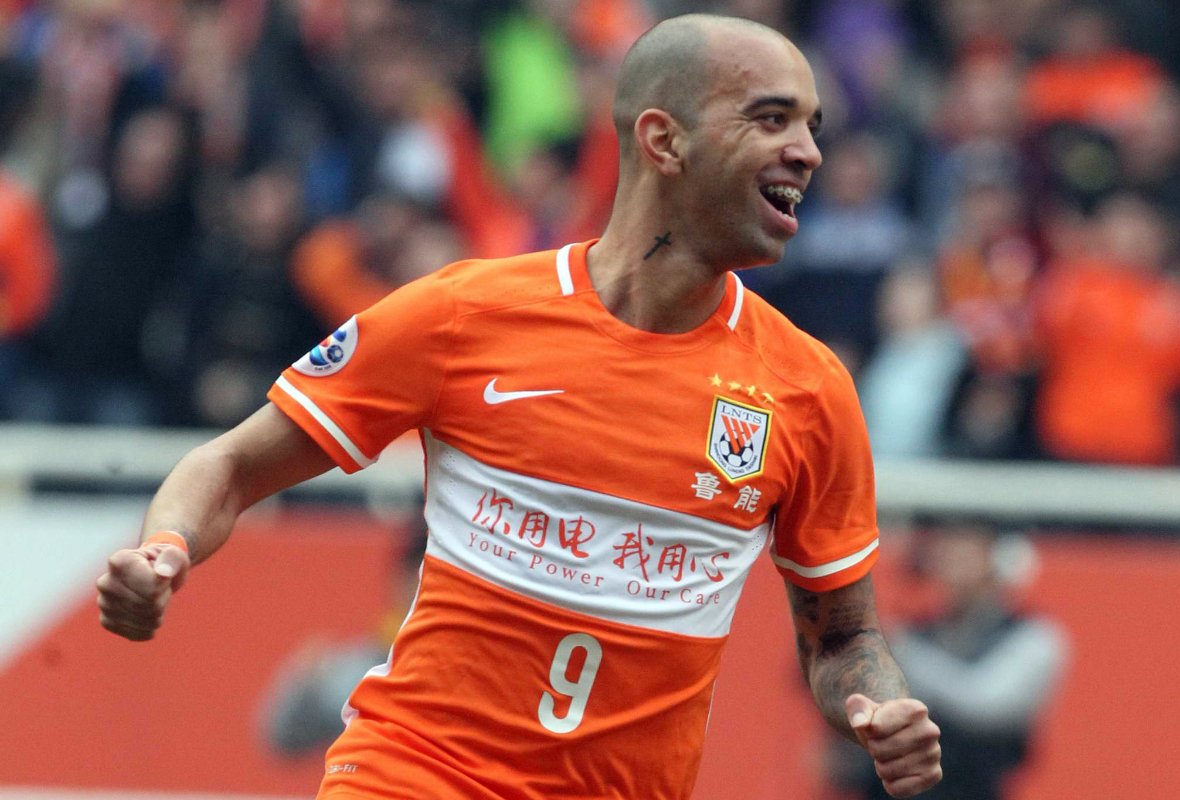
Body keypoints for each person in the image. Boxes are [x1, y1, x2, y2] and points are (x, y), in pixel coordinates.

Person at [96, 14, 942, 799]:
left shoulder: (807, 388)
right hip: (412, 775)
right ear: (663, 139)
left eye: (812, 127)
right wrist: (166, 548)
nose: (808, 152)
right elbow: (231, 463)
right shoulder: (462, 315)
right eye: (772, 119)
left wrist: (877, 705)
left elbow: (843, 639)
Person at [827, 518, 1067, 800]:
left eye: (967, 542)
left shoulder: (1033, 637)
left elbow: (983, 703)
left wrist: (901, 652)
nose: (951, 552)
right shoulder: (918, 631)